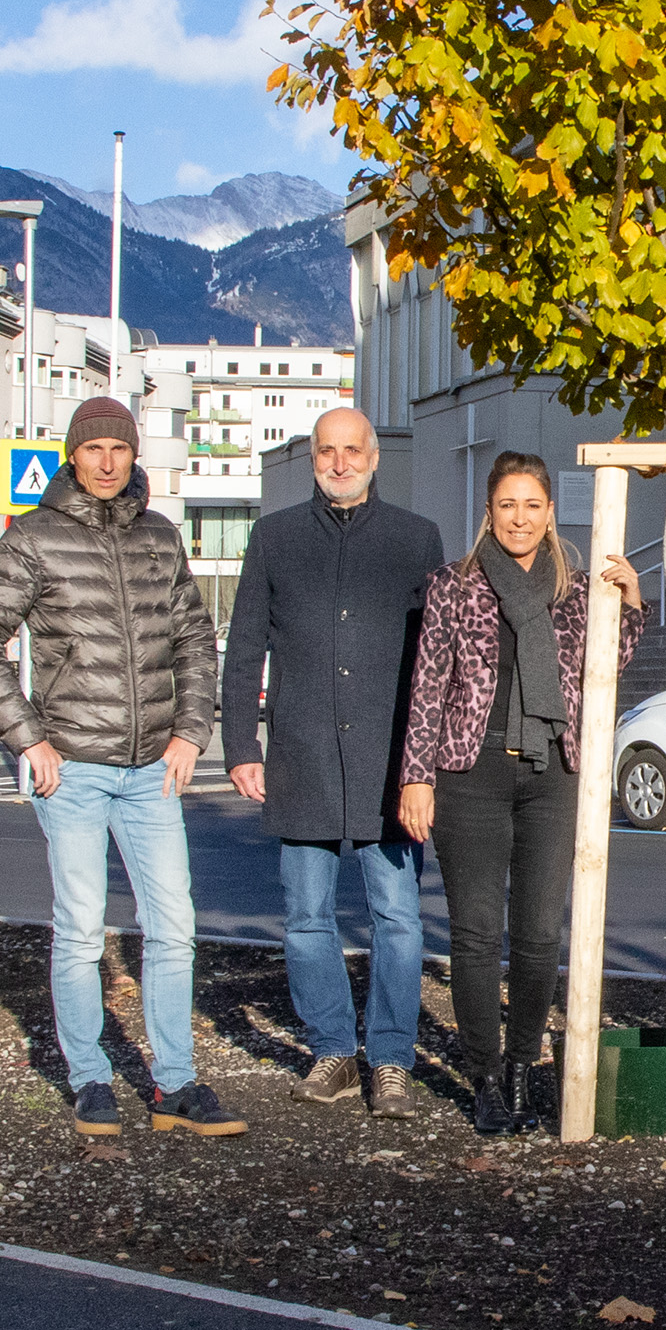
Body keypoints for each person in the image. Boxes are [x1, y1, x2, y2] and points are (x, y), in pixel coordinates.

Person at [0, 397, 244, 1139]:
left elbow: (195, 641)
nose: (109, 461)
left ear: (133, 453)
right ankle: (88, 1077)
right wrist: (28, 739)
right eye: (95, 449)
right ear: (73, 455)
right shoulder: (35, 537)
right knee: (81, 929)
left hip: (154, 769)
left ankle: (174, 1083)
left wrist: (191, 731)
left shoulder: (159, 536)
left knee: (174, 925)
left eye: (120, 447)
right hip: (73, 769)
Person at [397, 452, 646, 1134]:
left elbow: (605, 666)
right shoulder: (453, 584)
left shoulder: (572, 589)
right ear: (489, 510)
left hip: (552, 776)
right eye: (508, 504)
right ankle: (481, 1077)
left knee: (538, 935)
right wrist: (416, 775)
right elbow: (428, 685)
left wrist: (630, 604)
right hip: (468, 773)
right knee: (476, 936)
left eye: (532, 505)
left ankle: (519, 1069)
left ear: (549, 512)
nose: (520, 517)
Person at [222, 408, 445, 1120]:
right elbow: (245, 643)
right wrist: (239, 746)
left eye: (353, 450)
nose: (340, 462)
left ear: (375, 457)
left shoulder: (416, 539)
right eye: (327, 451)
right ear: (314, 458)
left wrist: (426, 762)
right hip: (303, 753)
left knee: (398, 918)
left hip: (390, 764)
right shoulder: (274, 537)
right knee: (307, 916)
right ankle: (332, 1049)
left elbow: (434, 660)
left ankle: (390, 1059)